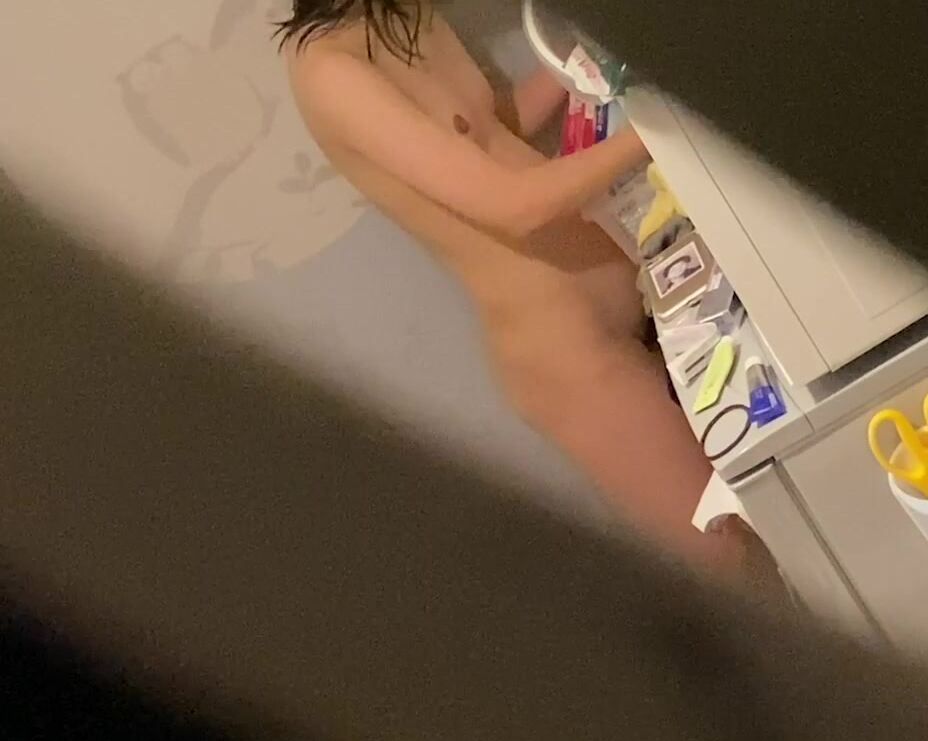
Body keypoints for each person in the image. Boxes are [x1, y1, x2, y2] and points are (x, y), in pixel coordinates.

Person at [276, 0, 757, 575]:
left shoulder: (401, 12)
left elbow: (488, 131)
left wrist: (588, 58)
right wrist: (665, 124)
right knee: (738, 558)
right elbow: (515, 205)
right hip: (571, 361)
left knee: (781, 483)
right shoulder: (331, 72)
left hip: (643, 294)